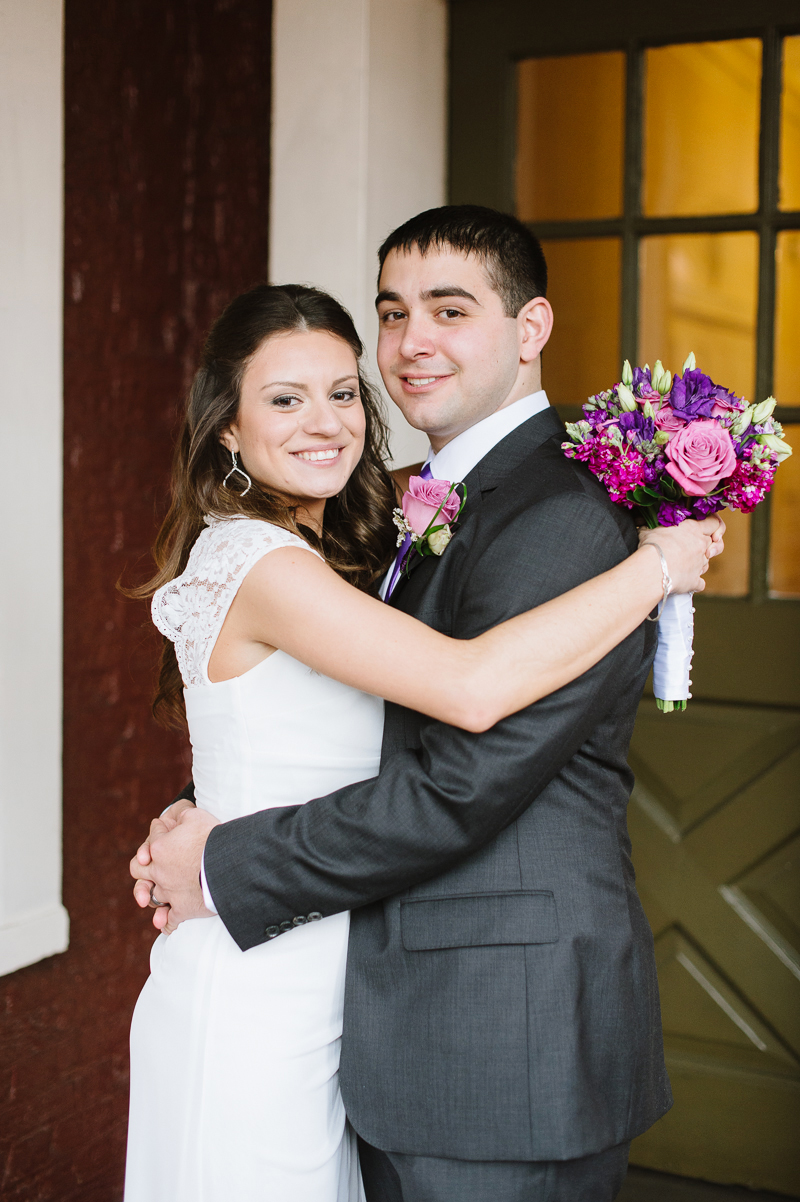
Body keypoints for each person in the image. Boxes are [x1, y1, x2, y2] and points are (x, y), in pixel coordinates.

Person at [130, 209, 723, 1202]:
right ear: (228, 424)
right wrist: (203, 801)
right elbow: (328, 705)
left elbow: (462, 765)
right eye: (393, 312)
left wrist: (224, 860)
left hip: (498, 1032)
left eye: (449, 309)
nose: (411, 344)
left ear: (530, 328)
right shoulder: (402, 504)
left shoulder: (562, 513)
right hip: (358, 1008)